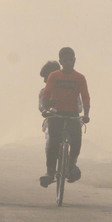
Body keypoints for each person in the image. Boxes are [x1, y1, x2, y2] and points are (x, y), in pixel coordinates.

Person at [40, 47, 90, 188]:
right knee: (53, 144)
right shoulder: (54, 76)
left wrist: (86, 115)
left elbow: (85, 97)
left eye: (71, 60)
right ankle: (50, 173)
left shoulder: (80, 78)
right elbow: (46, 94)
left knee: (76, 141)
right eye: (65, 60)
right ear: (60, 61)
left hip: (73, 114)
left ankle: (72, 165)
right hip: (56, 114)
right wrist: (45, 109)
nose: (68, 63)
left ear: (74, 61)